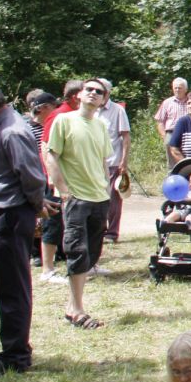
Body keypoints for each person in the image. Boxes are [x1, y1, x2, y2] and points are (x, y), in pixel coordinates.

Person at [0, 79, 49, 375]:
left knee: (12, 288)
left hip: (8, 217)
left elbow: (32, 176)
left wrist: (37, 207)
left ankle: (15, 356)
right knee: (2, 286)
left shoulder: (12, 130)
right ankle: (12, 350)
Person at [43, 79, 113, 330]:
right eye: (89, 89)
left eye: (99, 92)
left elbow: (103, 161)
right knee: (77, 251)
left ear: (104, 99)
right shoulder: (64, 120)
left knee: (92, 253)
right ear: (79, 95)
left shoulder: (101, 125)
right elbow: (51, 155)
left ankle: (72, 307)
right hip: (76, 198)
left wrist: (107, 188)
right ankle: (77, 310)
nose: (93, 93)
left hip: (99, 198)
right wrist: (63, 191)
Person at [25, 91, 65, 281]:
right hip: (37, 177)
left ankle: (59, 252)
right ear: (42, 109)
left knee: (54, 217)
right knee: (42, 218)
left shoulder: (52, 125)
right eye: (52, 107)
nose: (56, 110)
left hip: (50, 177)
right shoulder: (27, 129)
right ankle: (37, 255)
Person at [94, 79, 131, 246]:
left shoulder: (117, 110)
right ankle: (98, 230)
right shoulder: (90, 110)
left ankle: (112, 232)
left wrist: (124, 161)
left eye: (100, 91)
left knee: (112, 199)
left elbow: (125, 137)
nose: (96, 94)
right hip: (92, 162)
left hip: (112, 160)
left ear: (107, 93)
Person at [155, 78, 189, 163]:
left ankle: (189, 168)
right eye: (175, 88)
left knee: (190, 156)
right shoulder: (167, 102)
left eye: (180, 88)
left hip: (189, 132)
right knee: (170, 148)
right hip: (171, 132)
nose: (177, 90)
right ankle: (172, 171)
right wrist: (164, 136)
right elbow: (160, 121)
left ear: (185, 89)